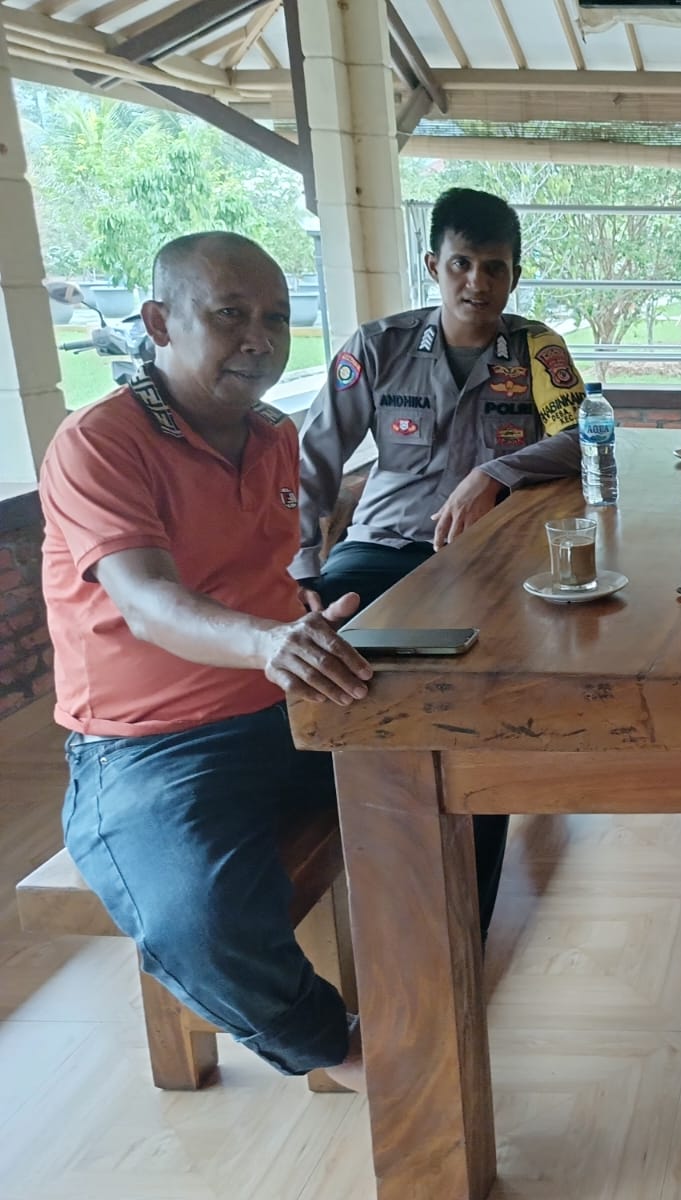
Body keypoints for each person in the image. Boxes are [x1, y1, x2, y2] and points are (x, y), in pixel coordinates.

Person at [39, 232, 372, 1090]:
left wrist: (302, 624)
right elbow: (148, 602)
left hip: (282, 704)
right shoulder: (100, 442)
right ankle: (340, 1049)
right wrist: (270, 643)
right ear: (158, 322)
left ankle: (431, 972)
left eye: (276, 318)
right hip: (150, 743)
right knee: (204, 918)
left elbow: (267, 576)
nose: (259, 338)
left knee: (455, 769)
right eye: (230, 314)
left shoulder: (273, 435)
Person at [293, 187, 588, 931]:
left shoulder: (538, 351)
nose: (477, 283)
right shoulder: (378, 347)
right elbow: (313, 463)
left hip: (491, 563)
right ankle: (342, 859)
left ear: (514, 274)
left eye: (495, 267)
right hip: (380, 551)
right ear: (433, 265)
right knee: (320, 660)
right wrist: (298, 568)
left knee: (483, 707)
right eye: (462, 263)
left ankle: (464, 917)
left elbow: (587, 436)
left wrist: (496, 471)